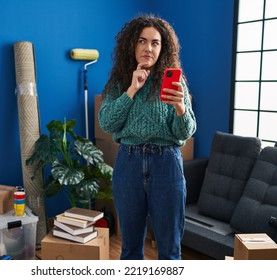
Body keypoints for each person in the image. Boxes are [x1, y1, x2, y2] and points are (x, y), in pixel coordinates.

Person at [98, 14, 196, 260]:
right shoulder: (120, 81)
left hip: (167, 165)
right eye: (142, 41)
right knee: (130, 248)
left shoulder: (176, 82)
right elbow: (108, 122)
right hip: (128, 165)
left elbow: (185, 132)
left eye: (155, 43)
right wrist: (132, 89)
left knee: (170, 249)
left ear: (163, 48)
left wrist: (180, 108)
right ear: (132, 44)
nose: (148, 48)